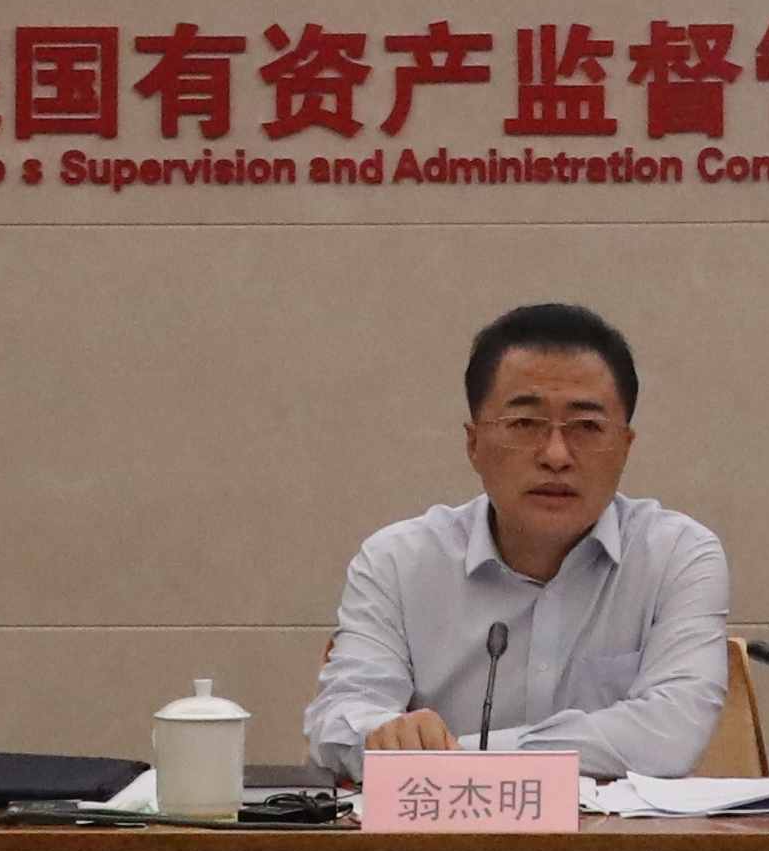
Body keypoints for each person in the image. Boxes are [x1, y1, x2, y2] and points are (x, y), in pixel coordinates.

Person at [301, 301, 731, 780]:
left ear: (625, 448)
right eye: (524, 424)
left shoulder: (677, 557)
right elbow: (340, 716)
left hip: (610, 834)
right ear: (473, 444)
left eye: (587, 428)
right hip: (448, 830)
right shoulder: (397, 563)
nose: (556, 455)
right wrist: (382, 735)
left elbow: (670, 733)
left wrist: (459, 757)